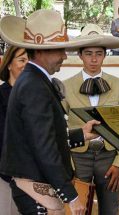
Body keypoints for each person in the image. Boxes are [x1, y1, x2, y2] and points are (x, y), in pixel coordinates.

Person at [0, 9, 101, 215]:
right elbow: (43, 146)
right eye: (59, 49)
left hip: (35, 186)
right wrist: (70, 195)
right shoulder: (34, 85)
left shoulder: (33, 81)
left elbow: (41, 137)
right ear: (40, 51)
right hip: (36, 189)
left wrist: (80, 135)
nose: (64, 55)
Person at [63, 24, 119, 215]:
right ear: (80, 55)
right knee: (75, 211)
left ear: (105, 54)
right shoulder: (65, 87)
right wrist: (68, 165)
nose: (94, 59)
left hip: (108, 156)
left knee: (110, 210)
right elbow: (59, 128)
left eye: (99, 53)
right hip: (78, 156)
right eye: (89, 53)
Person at [0, 46, 28, 215]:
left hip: (35, 176)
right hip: (8, 176)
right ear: (9, 64)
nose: (27, 65)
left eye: (30, 61)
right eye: (22, 60)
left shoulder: (36, 95)